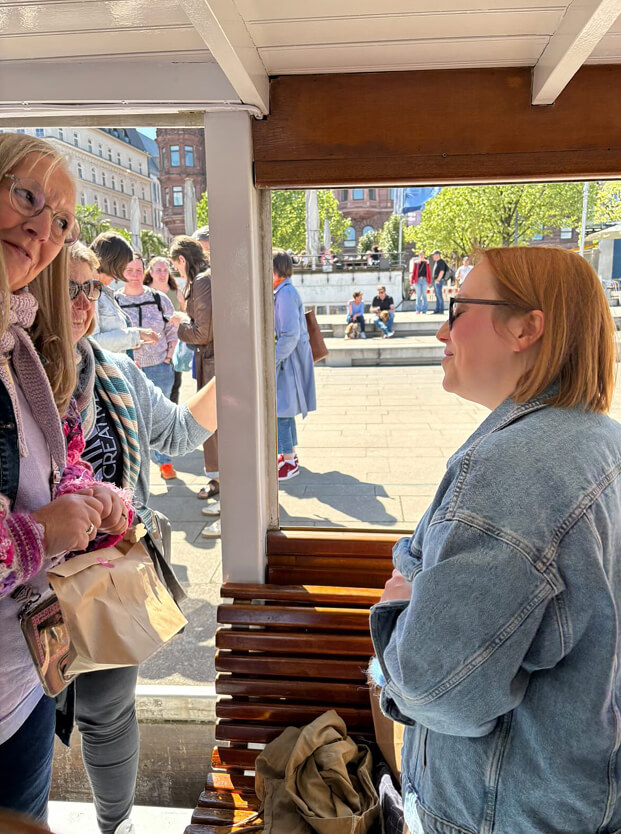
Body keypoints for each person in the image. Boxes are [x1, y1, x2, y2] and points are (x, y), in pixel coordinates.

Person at [370, 246, 621, 834]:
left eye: (457, 309)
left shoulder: (509, 469)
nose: (441, 330)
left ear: (526, 328)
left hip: (498, 815)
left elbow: (437, 687)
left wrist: (402, 607)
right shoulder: (601, 441)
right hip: (575, 799)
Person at [30, 242, 217, 834]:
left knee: (108, 714)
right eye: (68, 288)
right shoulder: (15, 384)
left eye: (92, 288)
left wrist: (239, 368)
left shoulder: (115, 373)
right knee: (26, 722)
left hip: (106, 582)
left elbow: (180, 432)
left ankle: (118, 826)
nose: (83, 303)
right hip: (24, 589)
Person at [0, 132, 131, 825]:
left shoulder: (19, 342)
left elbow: (50, 457)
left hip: (22, 684)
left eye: (60, 222)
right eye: (26, 196)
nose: (40, 231)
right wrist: (37, 535)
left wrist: (84, 491)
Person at [170, 236, 221, 536]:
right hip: (214, 361)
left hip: (213, 364)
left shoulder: (201, 282)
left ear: (182, 260)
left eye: (176, 265)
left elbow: (202, 333)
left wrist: (179, 323)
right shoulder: (206, 278)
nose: (177, 271)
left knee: (215, 428)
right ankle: (222, 489)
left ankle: (227, 498)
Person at [116, 254, 179, 480]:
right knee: (131, 420)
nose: (134, 275)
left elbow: (172, 329)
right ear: (121, 272)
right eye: (129, 270)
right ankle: (136, 469)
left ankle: (165, 462)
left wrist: (168, 356)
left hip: (159, 368)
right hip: (127, 370)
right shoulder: (115, 301)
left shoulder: (159, 298)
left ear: (145, 272)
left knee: (161, 417)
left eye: (138, 270)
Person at [273, 249, 316, 482]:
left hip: (286, 362)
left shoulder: (285, 293)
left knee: (281, 411)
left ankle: (289, 460)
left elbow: (289, 334)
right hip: (287, 361)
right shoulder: (284, 291)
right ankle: (289, 456)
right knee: (284, 410)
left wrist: (272, 359)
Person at [90, 232, 158, 355]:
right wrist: (136, 335)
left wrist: (131, 342)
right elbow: (92, 342)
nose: (118, 276)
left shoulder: (104, 292)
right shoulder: (89, 293)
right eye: (121, 268)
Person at [144, 256, 186, 404]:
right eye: (158, 270)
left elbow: (185, 316)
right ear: (151, 272)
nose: (162, 274)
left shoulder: (176, 293)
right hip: (150, 353)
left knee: (175, 386)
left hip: (174, 348)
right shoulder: (143, 293)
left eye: (165, 270)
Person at [430, 249, 448, 314]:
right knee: (437, 296)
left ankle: (441, 309)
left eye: (433, 255)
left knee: (439, 295)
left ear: (437, 255)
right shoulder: (437, 262)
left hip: (438, 281)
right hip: (436, 281)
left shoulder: (441, 262)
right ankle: (437, 309)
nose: (433, 256)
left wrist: (438, 279)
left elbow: (442, 271)